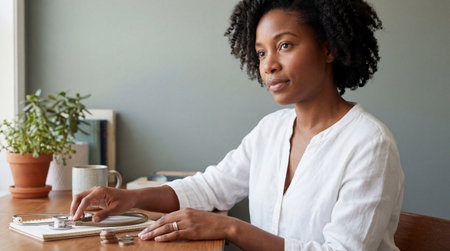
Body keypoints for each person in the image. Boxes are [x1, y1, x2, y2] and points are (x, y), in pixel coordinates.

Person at [70, 0, 404, 250]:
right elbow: (209, 189)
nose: (269, 65)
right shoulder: (270, 130)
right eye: (260, 53)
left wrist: (231, 228)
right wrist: (128, 198)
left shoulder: (369, 143)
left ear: (328, 49)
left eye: (284, 45)